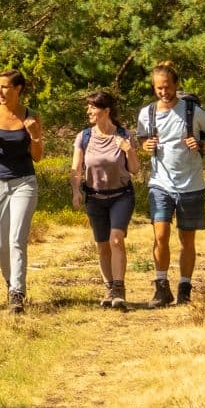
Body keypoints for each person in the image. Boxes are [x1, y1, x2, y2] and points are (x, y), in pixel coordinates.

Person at [134, 61, 205, 306]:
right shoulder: (147, 113)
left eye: (167, 87)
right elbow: (142, 138)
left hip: (191, 183)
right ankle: (161, 287)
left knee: (187, 239)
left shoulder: (192, 110)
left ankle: (184, 287)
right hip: (160, 183)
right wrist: (145, 146)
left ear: (176, 85)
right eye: (158, 88)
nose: (163, 92)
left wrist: (202, 144)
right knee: (160, 235)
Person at [0, 69, 43, 315]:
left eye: (5, 87)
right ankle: (10, 282)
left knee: (16, 239)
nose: (0, 92)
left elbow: (37, 156)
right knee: (0, 243)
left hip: (24, 182)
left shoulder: (31, 116)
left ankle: (17, 292)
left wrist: (34, 136)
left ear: (18, 89)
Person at [70, 89, 143, 310]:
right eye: (88, 106)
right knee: (102, 245)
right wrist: (76, 191)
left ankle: (120, 289)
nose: (88, 110)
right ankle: (109, 288)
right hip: (94, 197)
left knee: (116, 239)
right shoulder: (84, 137)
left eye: (93, 107)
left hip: (121, 196)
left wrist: (129, 151)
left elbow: (135, 170)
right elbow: (76, 168)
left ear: (106, 111)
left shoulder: (123, 135)